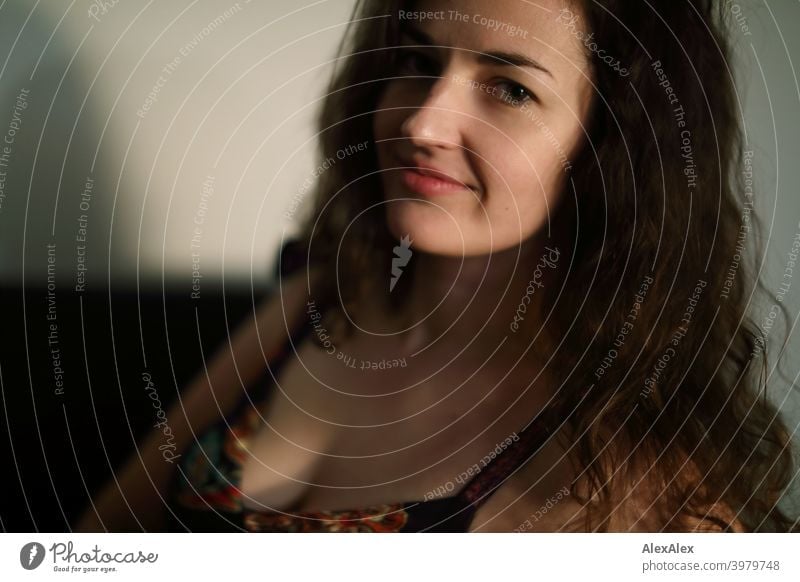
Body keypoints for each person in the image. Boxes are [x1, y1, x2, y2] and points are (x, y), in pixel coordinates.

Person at [77, 0, 797, 532]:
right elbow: (99, 541)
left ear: (612, 148)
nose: (422, 122)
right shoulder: (314, 307)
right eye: (418, 62)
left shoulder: (634, 474)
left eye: (510, 88)